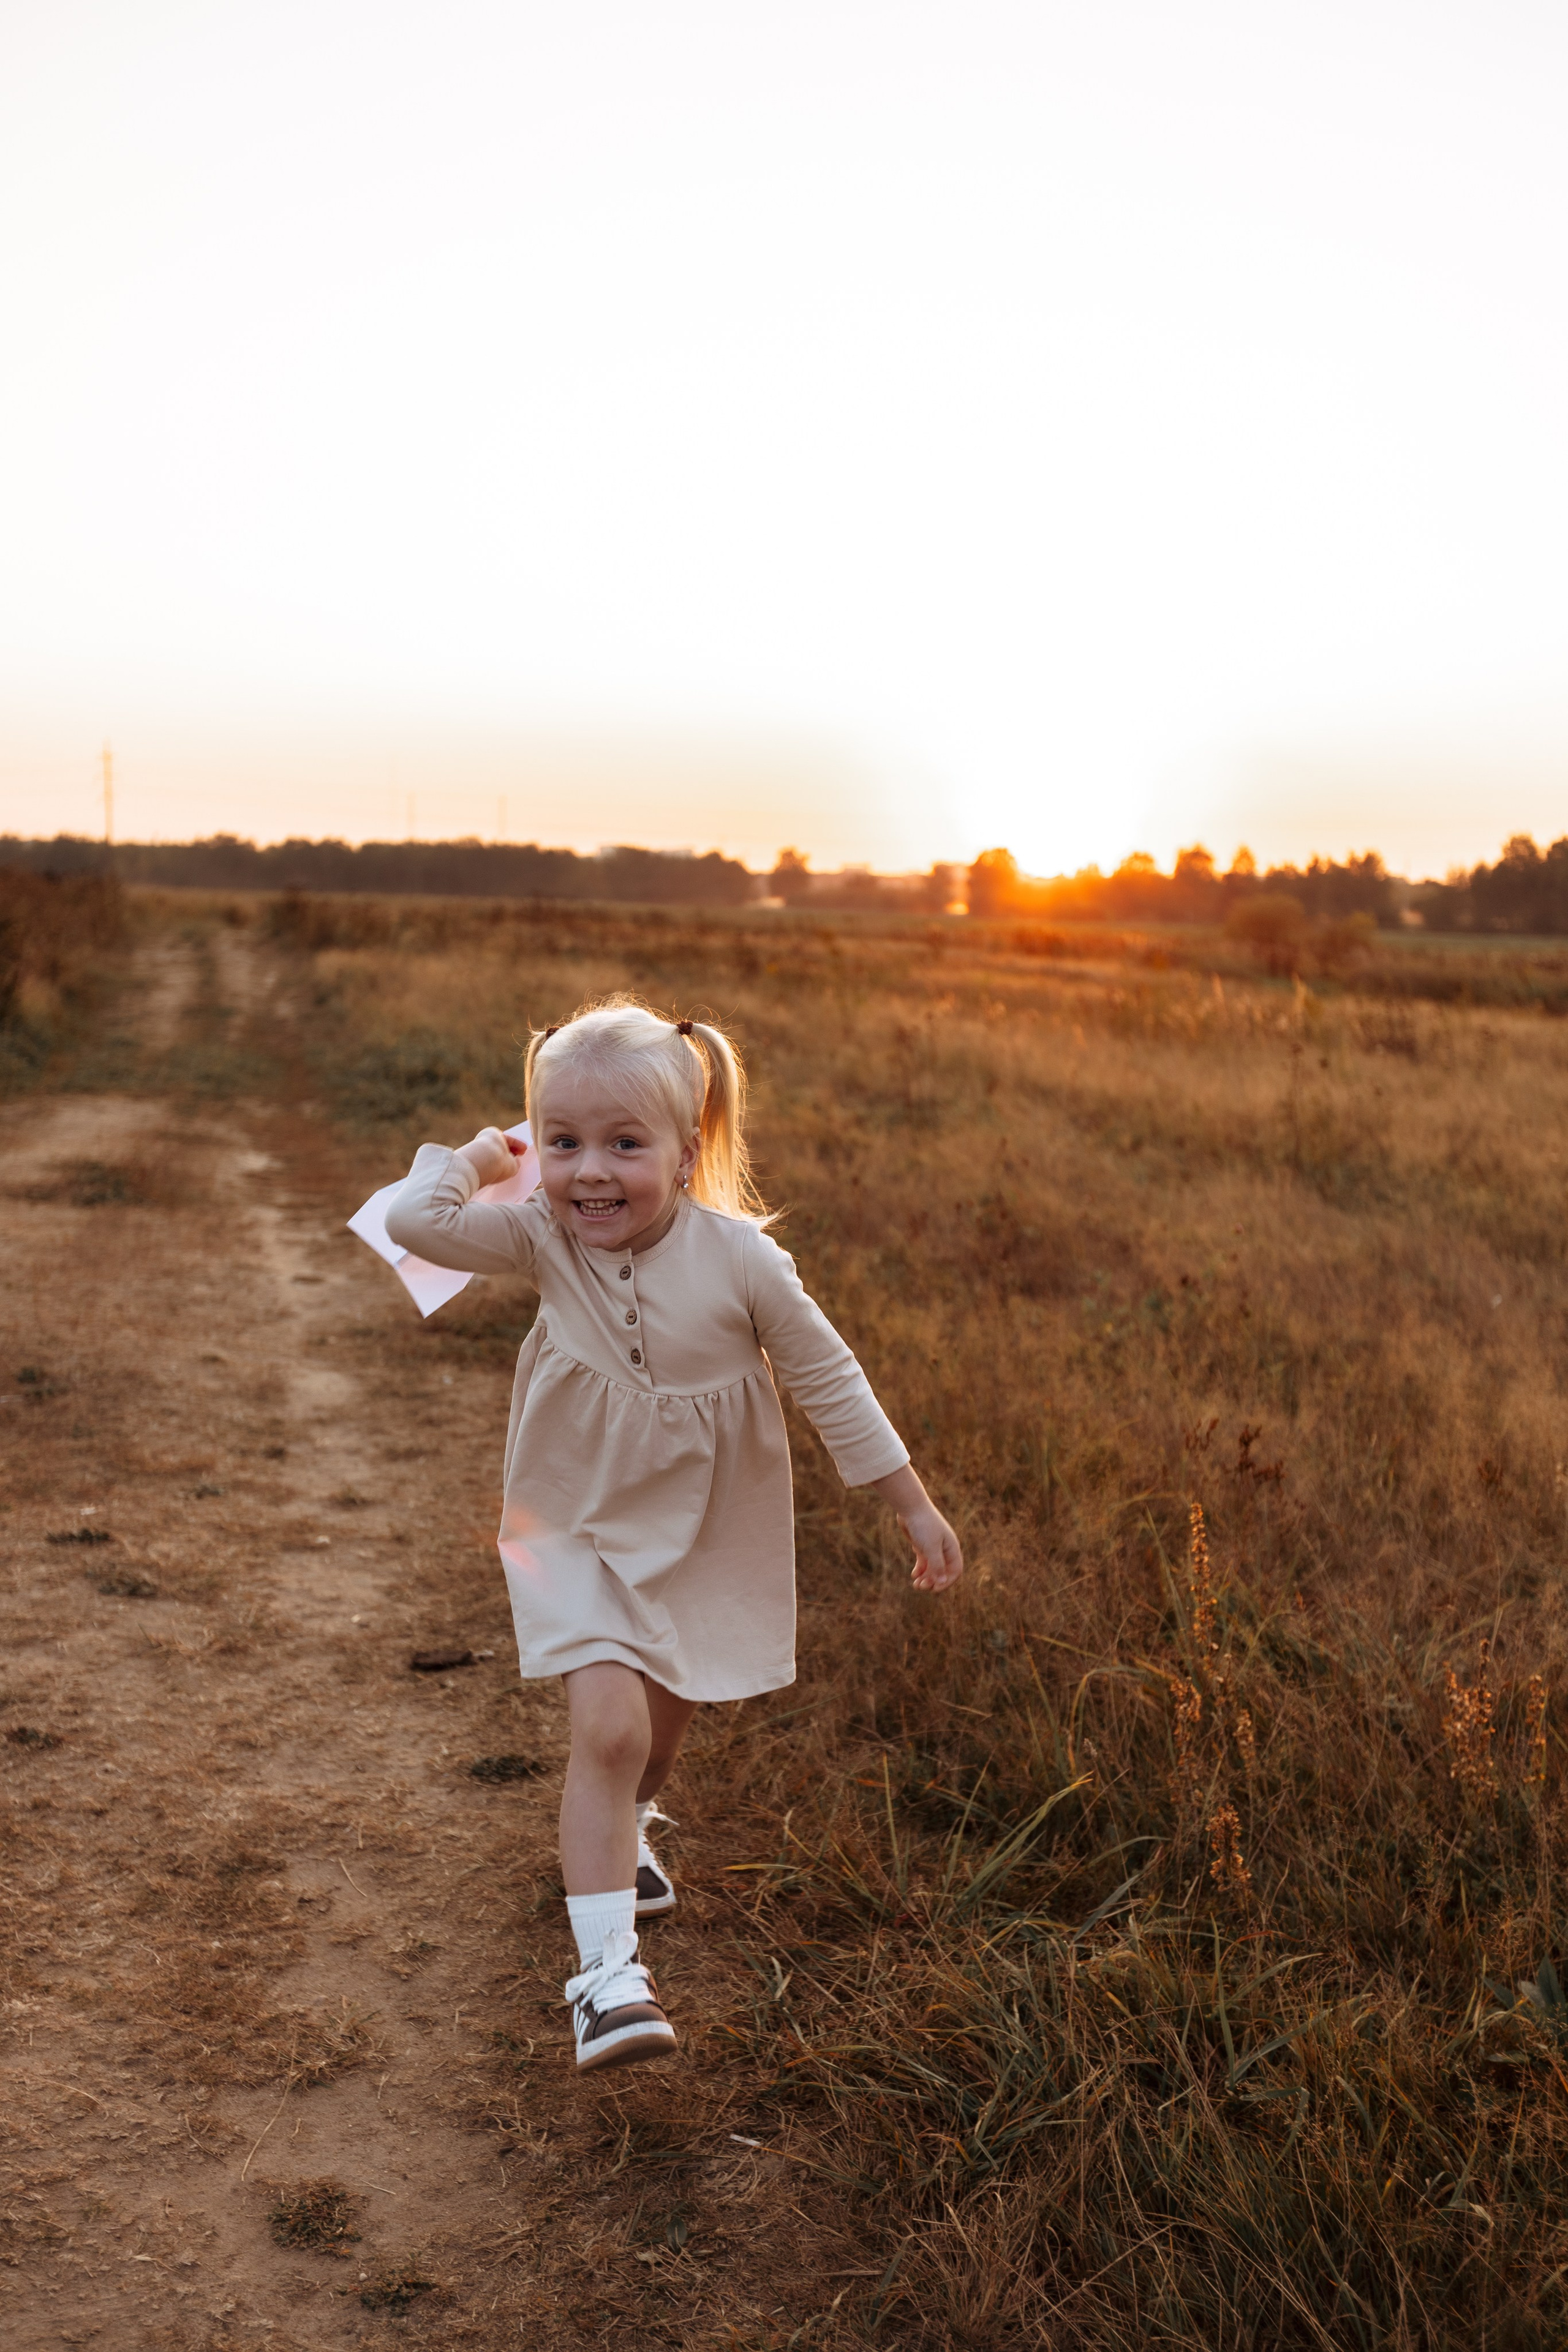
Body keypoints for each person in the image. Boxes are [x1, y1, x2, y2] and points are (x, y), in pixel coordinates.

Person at [385, 998, 963, 2073]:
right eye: (562, 1143)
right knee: (606, 1732)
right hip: (570, 1514)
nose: (590, 1173)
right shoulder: (543, 1232)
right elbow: (415, 1225)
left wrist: (911, 1504)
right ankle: (606, 1982)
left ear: (688, 1151)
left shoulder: (743, 1262)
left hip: (704, 1526)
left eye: (623, 1145)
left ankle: (630, 1834)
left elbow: (832, 1380)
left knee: (656, 1735)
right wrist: (475, 1157)